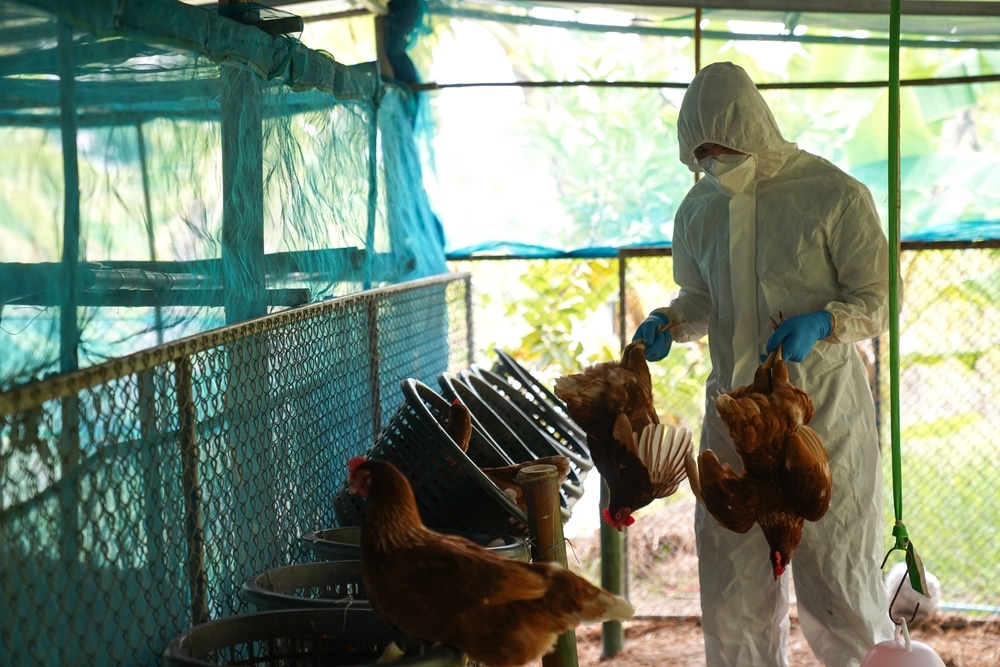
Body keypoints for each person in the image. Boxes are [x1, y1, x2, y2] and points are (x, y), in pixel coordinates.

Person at [632, 61, 895, 667]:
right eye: (702, 155)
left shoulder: (832, 194)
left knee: (841, 581)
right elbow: (701, 299)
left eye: (722, 148)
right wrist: (670, 321)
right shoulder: (699, 208)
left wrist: (827, 321)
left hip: (819, 418)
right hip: (733, 418)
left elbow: (880, 297)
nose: (713, 162)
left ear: (753, 129)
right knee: (732, 588)